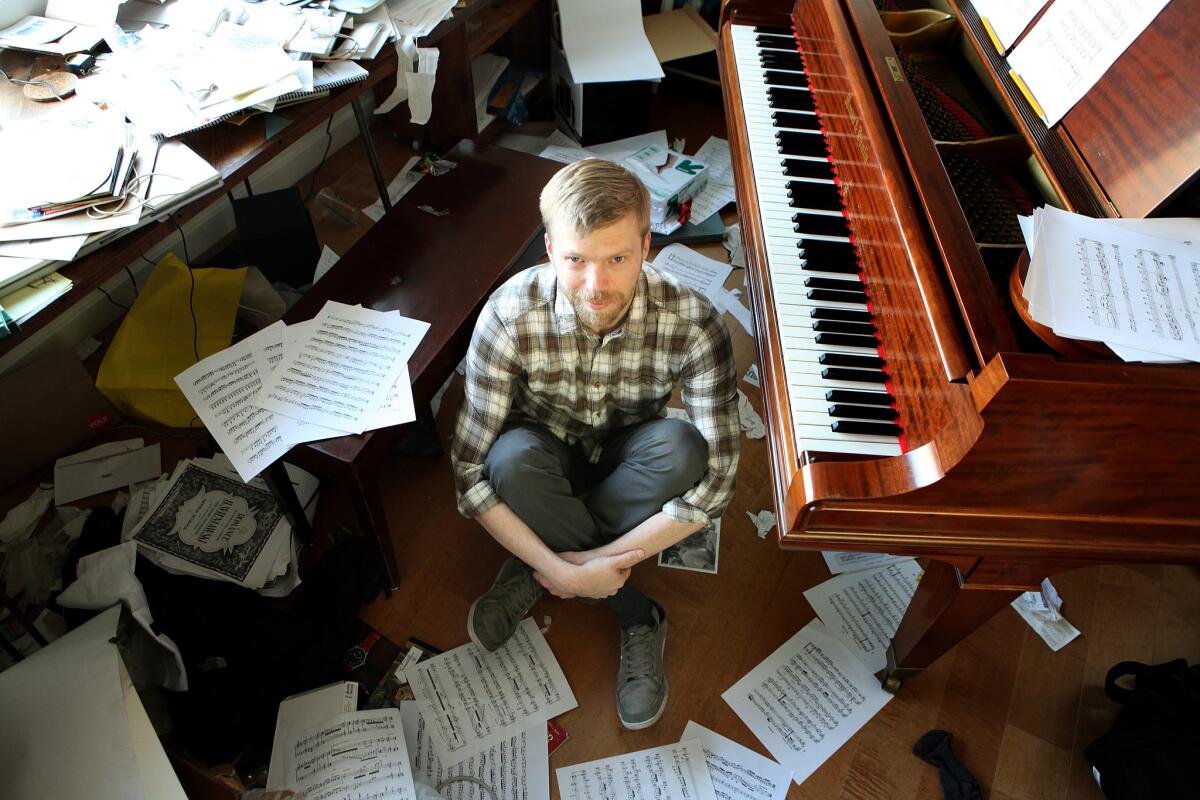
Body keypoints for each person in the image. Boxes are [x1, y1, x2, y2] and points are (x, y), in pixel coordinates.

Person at [450, 158, 740, 729]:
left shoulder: (694, 319)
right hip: (543, 452)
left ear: (647, 245)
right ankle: (636, 613)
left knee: (686, 450)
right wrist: (579, 574)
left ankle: (537, 569)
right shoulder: (508, 314)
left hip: (628, 456)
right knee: (507, 459)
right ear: (549, 248)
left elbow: (718, 485)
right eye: (575, 260)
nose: (597, 285)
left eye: (617, 259)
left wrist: (573, 569)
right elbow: (468, 472)